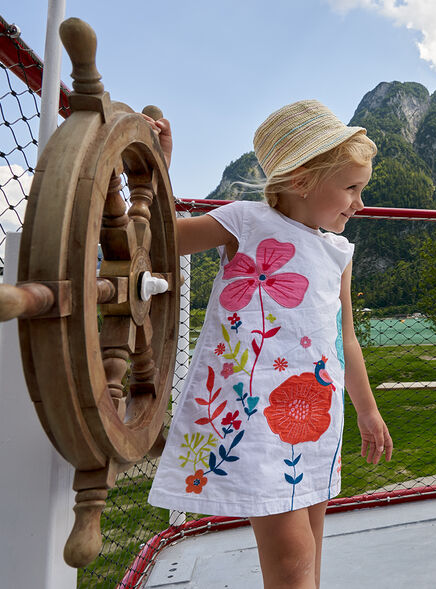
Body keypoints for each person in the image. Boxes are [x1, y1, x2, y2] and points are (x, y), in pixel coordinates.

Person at [145, 100, 393, 589]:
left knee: (313, 546)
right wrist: (159, 170)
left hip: (316, 417)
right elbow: (160, 240)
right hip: (256, 416)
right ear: (301, 180)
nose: (359, 205)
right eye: (351, 188)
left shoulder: (339, 251)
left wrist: (366, 409)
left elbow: (345, 337)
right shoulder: (246, 221)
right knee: (292, 558)